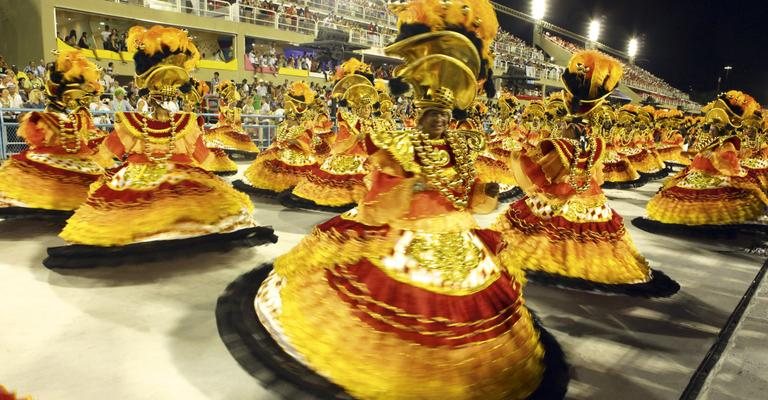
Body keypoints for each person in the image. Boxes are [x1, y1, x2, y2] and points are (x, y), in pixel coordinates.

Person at [217, 1, 568, 398]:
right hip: (406, 237)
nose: (438, 120)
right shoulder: (398, 147)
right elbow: (375, 205)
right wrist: (413, 188)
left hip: (460, 242)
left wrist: (485, 195)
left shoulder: (462, 147)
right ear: (418, 116)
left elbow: (469, 201)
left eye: (443, 114)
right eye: (430, 114)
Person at [50, 25, 275, 268]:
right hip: (143, 175)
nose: (167, 100)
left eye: (170, 95)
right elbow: (107, 152)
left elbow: (203, 157)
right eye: (163, 94)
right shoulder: (134, 122)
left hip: (176, 172)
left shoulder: (184, 123)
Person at [493, 50, 679, 297]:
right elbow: (597, 175)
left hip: (565, 189)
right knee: (574, 233)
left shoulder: (572, 137)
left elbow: (550, 167)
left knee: (548, 227)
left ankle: (557, 265)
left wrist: (527, 155)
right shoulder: (594, 139)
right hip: (587, 192)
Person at [640, 91, 768, 228]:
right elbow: (700, 154)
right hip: (698, 174)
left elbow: (731, 166)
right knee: (678, 190)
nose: (711, 129)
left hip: (718, 176)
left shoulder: (728, 143)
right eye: (711, 126)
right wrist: (691, 154)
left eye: (714, 127)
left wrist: (713, 157)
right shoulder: (712, 140)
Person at [0, 51, 105, 218]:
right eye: (73, 96)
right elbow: (41, 137)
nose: (77, 99)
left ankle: (62, 207)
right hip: (56, 152)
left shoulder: (71, 113)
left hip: (72, 156)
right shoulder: (51, 114)